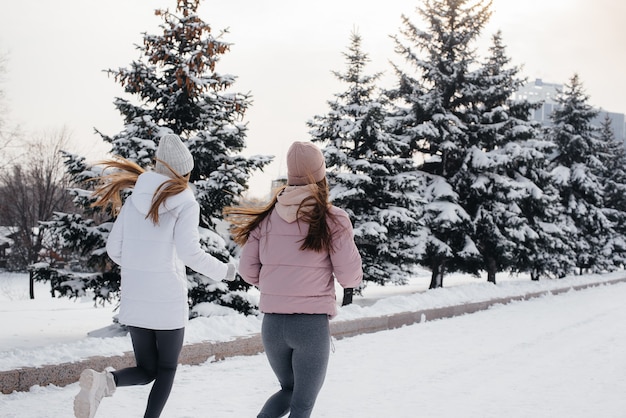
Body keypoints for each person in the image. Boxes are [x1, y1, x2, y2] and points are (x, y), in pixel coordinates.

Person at [73, 133, 236, 418]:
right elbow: (190, 254)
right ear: (182, 170)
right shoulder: (186, 203)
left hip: (136, 299)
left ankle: (105, 381)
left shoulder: (135, 198)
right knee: (166, 369)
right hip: (167, 299)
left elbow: (113, 249)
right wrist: (226, 271)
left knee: (147, 369)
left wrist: (140, 266)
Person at [224, 141, 363, 418]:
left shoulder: (267, 218)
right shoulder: (332, 219)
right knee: (302, 403)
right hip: (310, 326)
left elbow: (248, 271)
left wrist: (278, 282)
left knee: (288, 389)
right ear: (321, 175)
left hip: (273, 325)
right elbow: (349, 274)